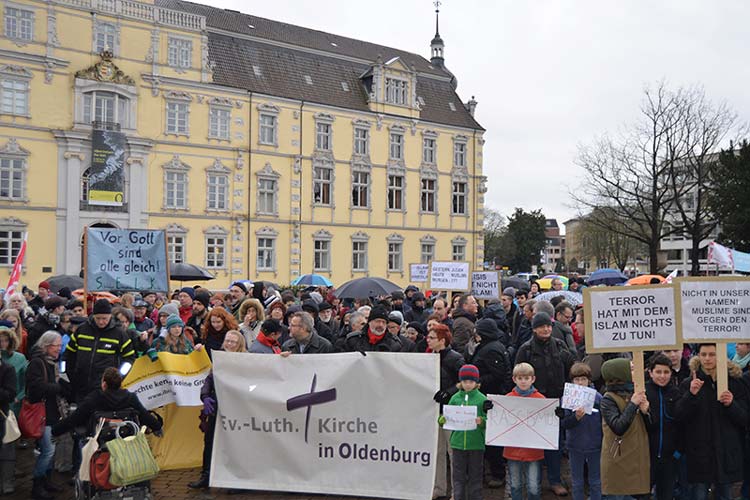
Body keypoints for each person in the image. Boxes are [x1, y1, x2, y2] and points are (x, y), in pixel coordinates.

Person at [675, 344, 747, 500]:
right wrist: (691, 395)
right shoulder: (689, 383)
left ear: (720, 356)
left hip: (726, 455)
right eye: (704, 354)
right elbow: (679, 415)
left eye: (712, 354)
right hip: (699, 455)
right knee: (698, 495)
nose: (707, 359)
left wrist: (731, 404)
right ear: (698, 356)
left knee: (726, 495)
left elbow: (744, 419)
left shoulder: (734, 383)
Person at [515, 312, 575, 496]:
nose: (546, 329)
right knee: (535, 444)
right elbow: (518, 375)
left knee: (555, 443)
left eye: (548, 326)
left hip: (556, 401)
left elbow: (571, 369)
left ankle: (555, 480)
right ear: (534, 328)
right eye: (542, 326)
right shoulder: (525, 349)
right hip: (534, 402)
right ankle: (534, 482)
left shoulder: (559, 345)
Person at [190, 330, 247, 489]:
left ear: (239, 344)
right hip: (217, 406)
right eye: (227, 340)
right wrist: (205, 396)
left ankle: (237, 480)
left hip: (236, 409)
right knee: (209, 441)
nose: (229, 344)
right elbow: (208, 380)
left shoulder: (246, 361)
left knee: (234, 444)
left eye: (233, 342)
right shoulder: (219, 358)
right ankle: (206, 475)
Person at [465, 318, 511, 489]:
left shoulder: (491, 349)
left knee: (492, 439)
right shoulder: (491, 346)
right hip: (489, 397)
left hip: (491, 399)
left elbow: (497, 375)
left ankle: (498, 473)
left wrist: (477, 382)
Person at [51, 366, 162, 436]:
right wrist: (157, 427)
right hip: (123, 436)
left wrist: (56, 430)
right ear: (120, 383)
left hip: (99, 439)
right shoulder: (130, 397)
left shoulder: (95, 398)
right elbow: (144, 414)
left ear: (104, 384)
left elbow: (75, 418)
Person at [65, 299, 136, 402]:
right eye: (98, 318)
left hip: (105, 387)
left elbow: (129, 358)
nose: (101, 322)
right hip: (81, 385)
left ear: (110, 316)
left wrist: (118, 376)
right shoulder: (81, 330)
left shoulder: (119, 334)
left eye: (104, 318)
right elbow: (70, 354)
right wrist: (71, 374)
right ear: (93, 315)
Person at [600, 358, 651, 500]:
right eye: (632, 369)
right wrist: (633, 404)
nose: (637, 372)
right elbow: (618, 427)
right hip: (619, 463)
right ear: (621, 374)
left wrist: (646, 412)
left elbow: (648, 427)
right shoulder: (608, 399)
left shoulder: (636, 393)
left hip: (637, 461)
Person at [439, 364, 488, 500]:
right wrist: (442, 419)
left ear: (476, 383)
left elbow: (490, 420)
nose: (468, 385)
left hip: (476, 444)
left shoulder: (482, 399)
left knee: (475, 477)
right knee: (458, 477)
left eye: (471, 382)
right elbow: (446, 417)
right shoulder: (455, 398)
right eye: (465, 382)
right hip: (457, 444)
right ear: (460, 382)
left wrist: (482, 421)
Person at [26, 331, 64, 499]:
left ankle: (47, 481)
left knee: (51, 448)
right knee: (48, 450)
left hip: (52, 411)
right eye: (57, 346)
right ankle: (37, 484)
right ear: (47, 345)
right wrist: (58, 387)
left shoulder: (50, 362)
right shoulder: (37, 363)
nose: (59, 349)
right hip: (43, 412)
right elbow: (36, 388)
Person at [429, 324, 464, 499]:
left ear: (442, 340)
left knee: (453, 453)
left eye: (431, 337)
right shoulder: (429, 357)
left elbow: (464, 383)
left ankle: (456, 492)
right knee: (437, 452)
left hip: (451, 411)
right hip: (435, 411)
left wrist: (448, 393)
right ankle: (438, 488)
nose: (427, 340)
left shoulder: (455, 359)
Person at [559, 363, 602, 500]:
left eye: (583, 379)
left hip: (595, 445)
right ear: (572, 381)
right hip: (575, 446)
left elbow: (604, 422)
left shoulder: (598, 398)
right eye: (576, 379)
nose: (580, 382)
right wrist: (575, 418)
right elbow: (564, 424)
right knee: (577, 482)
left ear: (589, 380)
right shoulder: (566, 399)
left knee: (595, 481)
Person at [503, 363, 545, 500]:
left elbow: (547, 422)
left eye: (526, 378)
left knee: (533, 486)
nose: (523, 381)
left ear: (533, 379)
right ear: (514, 379)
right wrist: (490, 409)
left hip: (533, 451)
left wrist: (555, 414)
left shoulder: (541, 400)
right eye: (520, 378)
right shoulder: (507, 398)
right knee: (515, 485)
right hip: (512, 450)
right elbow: (500, 420)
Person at [645, 353, 680, 500]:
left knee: (666, 494)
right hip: (647, 456)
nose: (662, 376)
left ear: (671, 373)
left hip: (669, 457)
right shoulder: (644, 392)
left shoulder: (676, 393)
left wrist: (678, 451)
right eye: (658, 372)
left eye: (666, 372)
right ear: (651, 372)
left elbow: (681, 424)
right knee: (644, 493)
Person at [0, 341, 17, 496]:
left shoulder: (7, 369)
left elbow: (11, 394)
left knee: (6, 450)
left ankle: (7, 482)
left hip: (2, 416)